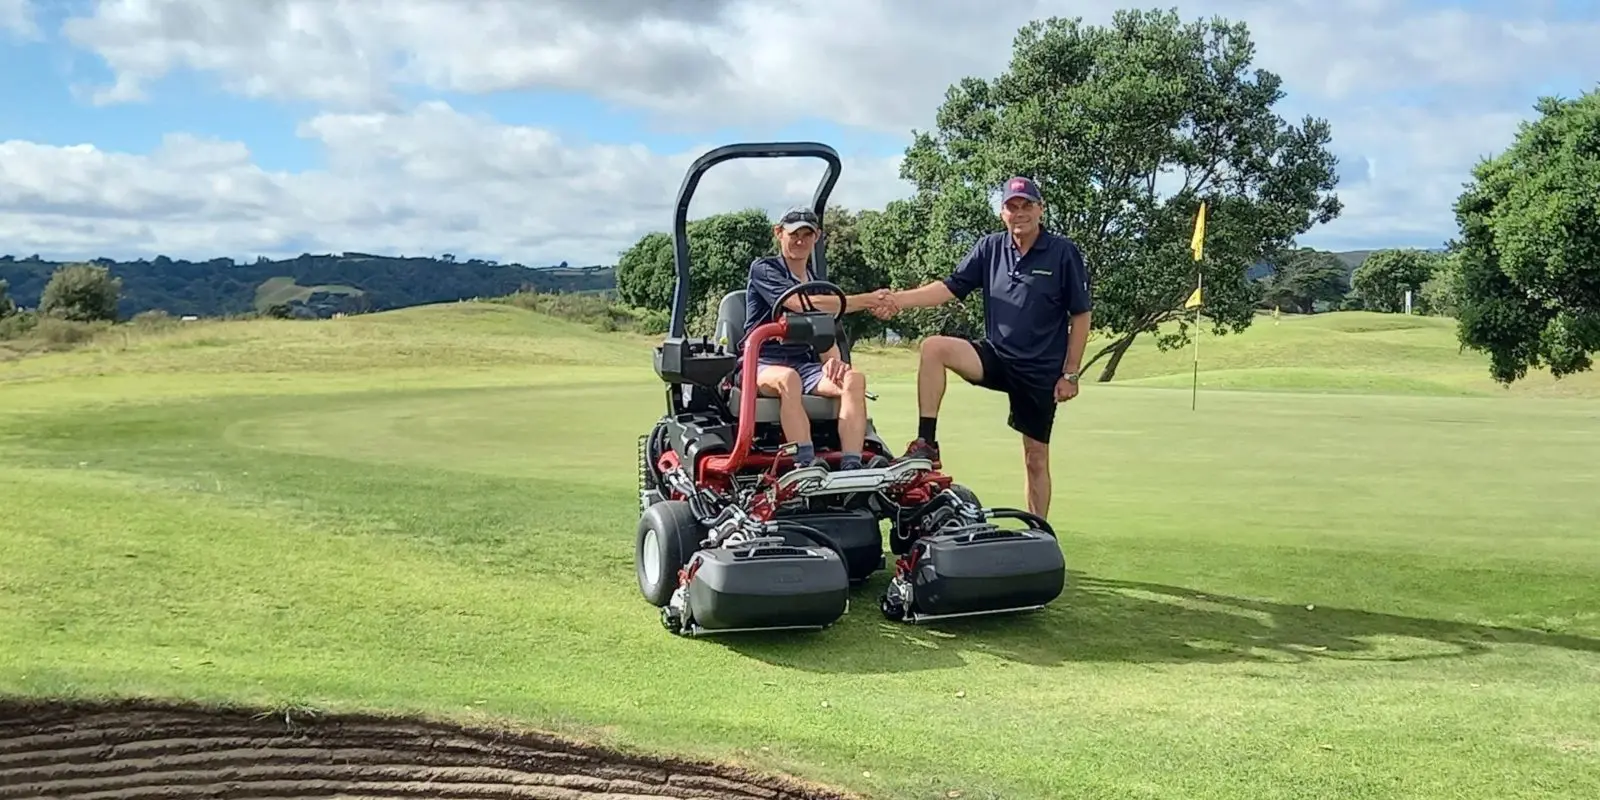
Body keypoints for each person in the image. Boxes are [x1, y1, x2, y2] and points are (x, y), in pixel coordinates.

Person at [873, 177, 1092, 518]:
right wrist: (897, 300)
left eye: (1026, 206)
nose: (1019, 213)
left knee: (1035, 456)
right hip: (997, 356)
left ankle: (1037, 531)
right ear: (1002, 212)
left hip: (1040, 370)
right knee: (934, 347)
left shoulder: (1063, 252)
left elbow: (1080, 315)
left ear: (1040, 209)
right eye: (1012, 207)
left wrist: (1071, 373)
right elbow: (949, 288)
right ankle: (926, 444)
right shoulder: (990, 247)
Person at [740, 206, 892, 471]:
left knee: (853, 379)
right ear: (779, 233)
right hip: (762, 362)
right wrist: (867, 300)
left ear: (817, 237)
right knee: (788, 379)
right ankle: (805, 462)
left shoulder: (819, 285)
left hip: (804, 364)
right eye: (793, 233)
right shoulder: (765, 269)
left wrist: (832, 362)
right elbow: (797, 303)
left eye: (806, 234)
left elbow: (824, 332)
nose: (799, 240)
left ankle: (851, 465)